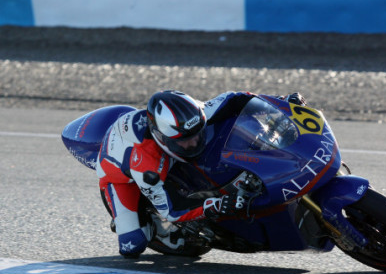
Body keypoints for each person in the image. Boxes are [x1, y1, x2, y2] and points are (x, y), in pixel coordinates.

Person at [96, 90, 306, 258]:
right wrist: (215, 204)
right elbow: (173, 211)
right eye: (184, 140)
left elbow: (239, 99)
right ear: (162, 138)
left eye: (198, 133)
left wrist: (282, 102)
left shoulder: (199, 113)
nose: (194, 142)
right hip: (119, 177)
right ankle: (145, 223)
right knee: (133, 245)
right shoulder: (147, 165)